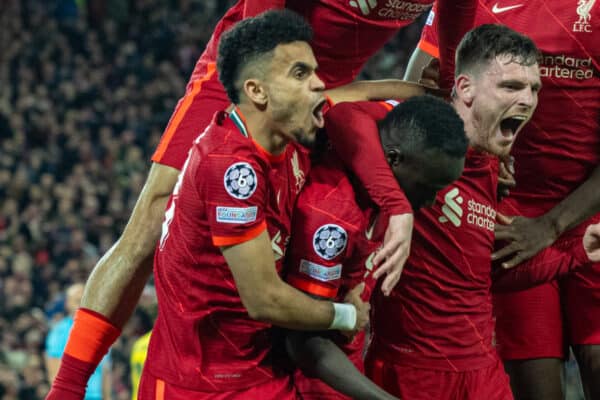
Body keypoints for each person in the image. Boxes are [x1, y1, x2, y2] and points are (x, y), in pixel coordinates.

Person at [75, 2, 480, 366]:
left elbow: (455, 18)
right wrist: (267, 105)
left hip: (325, 87)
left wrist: (451, 90)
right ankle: (67, 389)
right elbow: (258, 30)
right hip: (256, 73)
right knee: (154, 216)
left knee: (285, 240)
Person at [46, 10, 371, 399]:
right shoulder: (233, 166)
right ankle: (65, 390)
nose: (319, 85)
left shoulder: (293, 132)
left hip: (287, 82)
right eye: (307, 75)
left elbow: (361, 95)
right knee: (151, 218)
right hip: (258, 61)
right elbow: (263, 299)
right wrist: (345, 316)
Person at [333, 24, 538, 399]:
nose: (527, 100)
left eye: (533, 89)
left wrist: (575, 249)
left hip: (484, 375)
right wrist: (398, 207)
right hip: (410, 373)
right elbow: (339, 112)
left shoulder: (493, 165)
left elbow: (483, 271)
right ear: (464, 88)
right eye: (511, 87)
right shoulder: (412, 145)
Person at [406, 3, 600, 399]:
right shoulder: (462, 7)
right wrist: (473, 158)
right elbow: (422, 92)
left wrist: (551, 226)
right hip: (506, 225)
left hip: (589, 215)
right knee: (537, 386)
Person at [284, 95, 468, 400]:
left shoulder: (395, 144)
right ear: (394, 160)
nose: (432, 201)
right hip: (316, 385)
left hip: (351, 370)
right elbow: (304, 342)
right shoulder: (331, 218)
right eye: (429, 187)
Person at [45, 283, 112, 400]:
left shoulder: (100, 331)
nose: (82, 305)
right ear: (67, 304)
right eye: (77, 301)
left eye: (85, 300)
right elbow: (53, 372)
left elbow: (105, 371)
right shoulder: (59, 332)